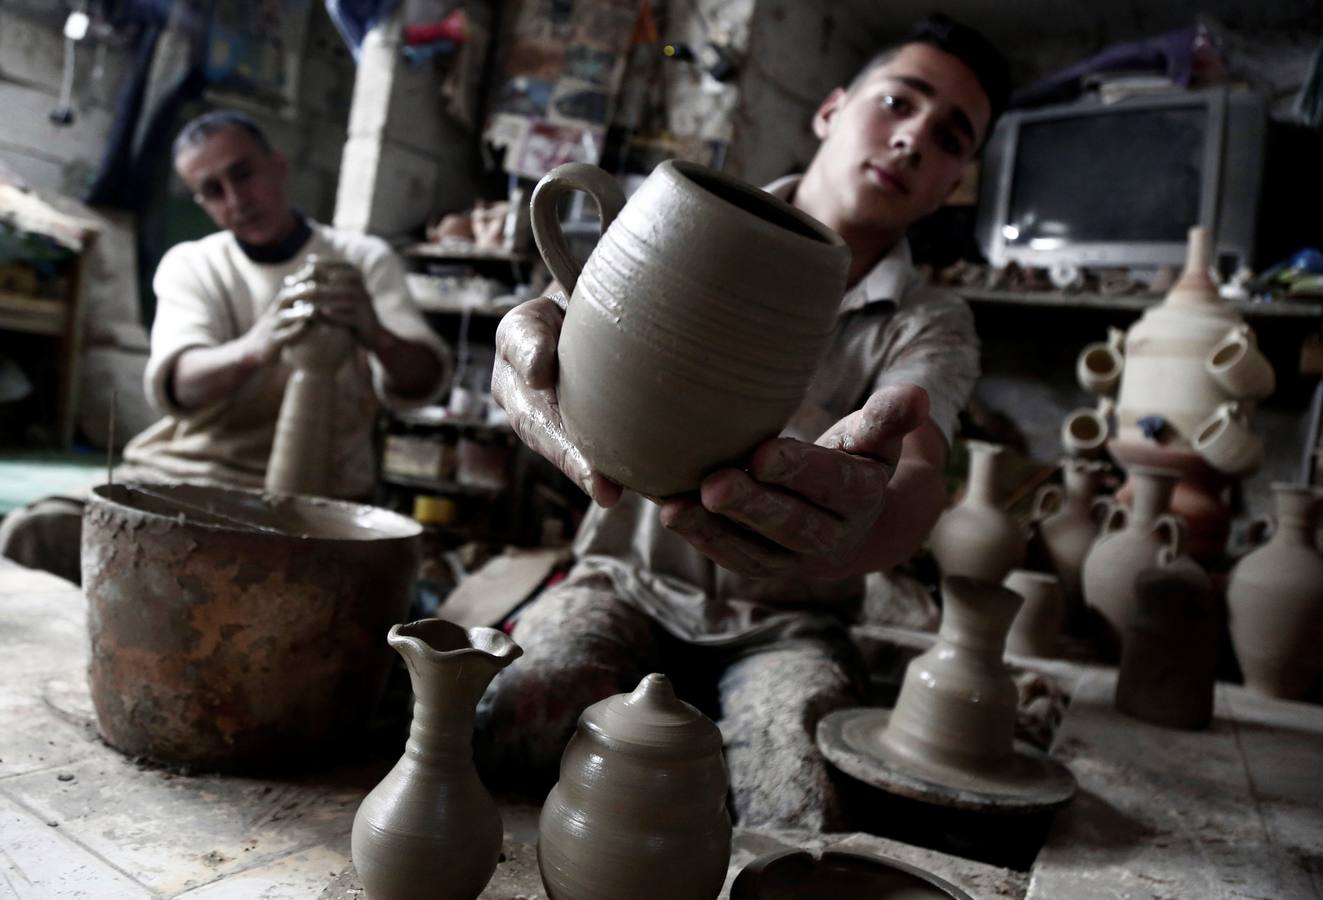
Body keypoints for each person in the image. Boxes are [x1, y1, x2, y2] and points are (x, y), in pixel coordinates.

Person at [477, 15, 1009, 831]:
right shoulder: (676, 215)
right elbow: (556, 318)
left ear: (953, 182)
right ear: (831, 109)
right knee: (508, 720)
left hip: (788, 620)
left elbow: (915, 472)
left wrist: (859, 528)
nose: (911, 140)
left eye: (948, 138)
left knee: (795, 804)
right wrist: (532, 346)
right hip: (623, 577)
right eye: (898, 102)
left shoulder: (928, 322)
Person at [0, 110, 450, 582]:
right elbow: (179, 384)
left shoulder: (362, 259)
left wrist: (374, 332)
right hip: (192, 476)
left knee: (322, 596)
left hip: (325, 494)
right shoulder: (193, 265)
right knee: (32, 535)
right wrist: (261, 342)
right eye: (214, 190)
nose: (236, 199)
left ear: (277, 166)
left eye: (243, 174)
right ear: (201, 202)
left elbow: (423, 380)